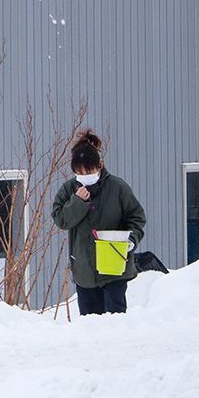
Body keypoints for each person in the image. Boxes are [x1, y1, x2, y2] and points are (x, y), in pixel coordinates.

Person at [50, 128, 146, 316]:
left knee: (115, 321)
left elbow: (137, 218)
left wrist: (131, 241)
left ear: (100, 165)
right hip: (84, 271)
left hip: (115, 266)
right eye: (80, 173)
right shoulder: (69, 189)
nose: (85, 176)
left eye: (90, 171)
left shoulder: (118, 187)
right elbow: (61, 220)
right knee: (90, 326)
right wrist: (77, 202)